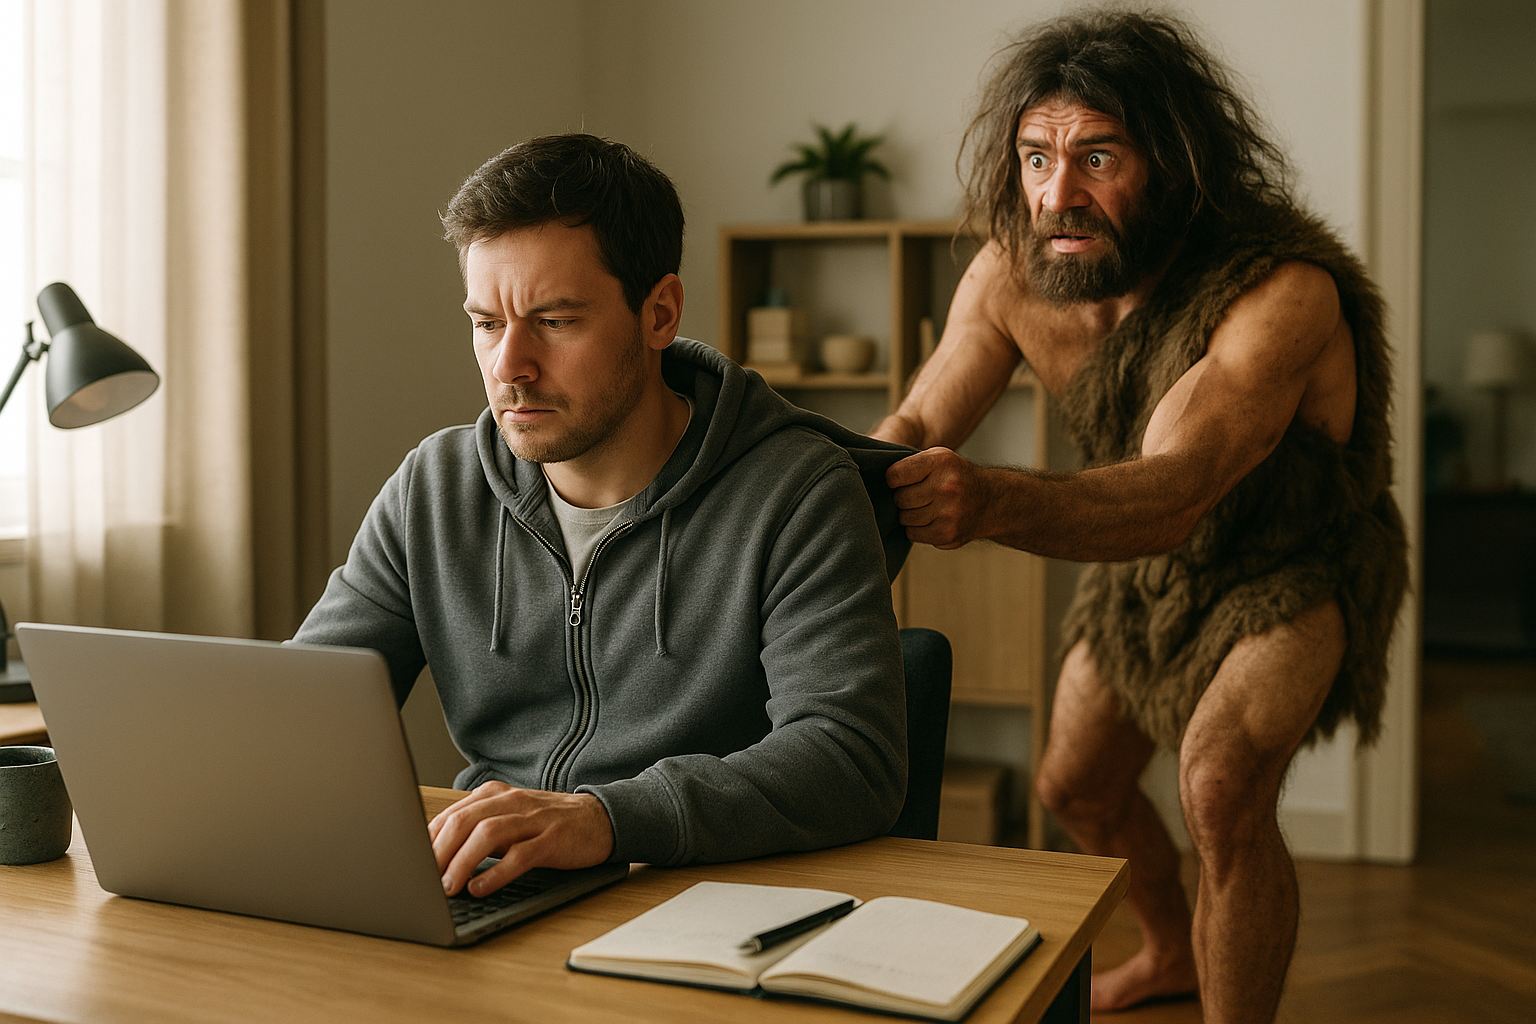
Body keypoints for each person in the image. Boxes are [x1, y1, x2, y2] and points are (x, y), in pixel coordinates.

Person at [869, 12, 1406, 1024]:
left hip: (1287, 563)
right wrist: (803, 492)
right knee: (1074, 785)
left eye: (1097, 156)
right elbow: (913, 420)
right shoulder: (1013, 270)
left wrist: (986, 498)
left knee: (1219, 787)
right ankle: (1171, 952)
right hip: (1143, 571)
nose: (1056, 194)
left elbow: (1175, 489)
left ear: (1175, 160)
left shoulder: (1279, 292)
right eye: (1036, 156)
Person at [295, 133, 912, 902]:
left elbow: (852, 759)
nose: (509, 368)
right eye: (487, 323)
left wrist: (604, 817)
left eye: (554, 322)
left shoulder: (796, 492)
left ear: (659, 314)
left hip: (702, 897)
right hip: (496, 885)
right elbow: (304, 712)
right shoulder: (436, 488)